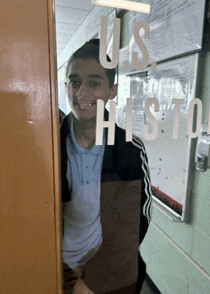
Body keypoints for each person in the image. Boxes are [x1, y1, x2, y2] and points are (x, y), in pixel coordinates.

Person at [60, 39, 152, 294]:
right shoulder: (50, 144)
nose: (81, 93)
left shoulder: (128, 149)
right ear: (66, 85)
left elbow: (135, 224)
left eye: (94, 83)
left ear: (112, 91)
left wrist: (90, 281)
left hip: (109, 273)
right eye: (75, 81)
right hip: (54, 267)